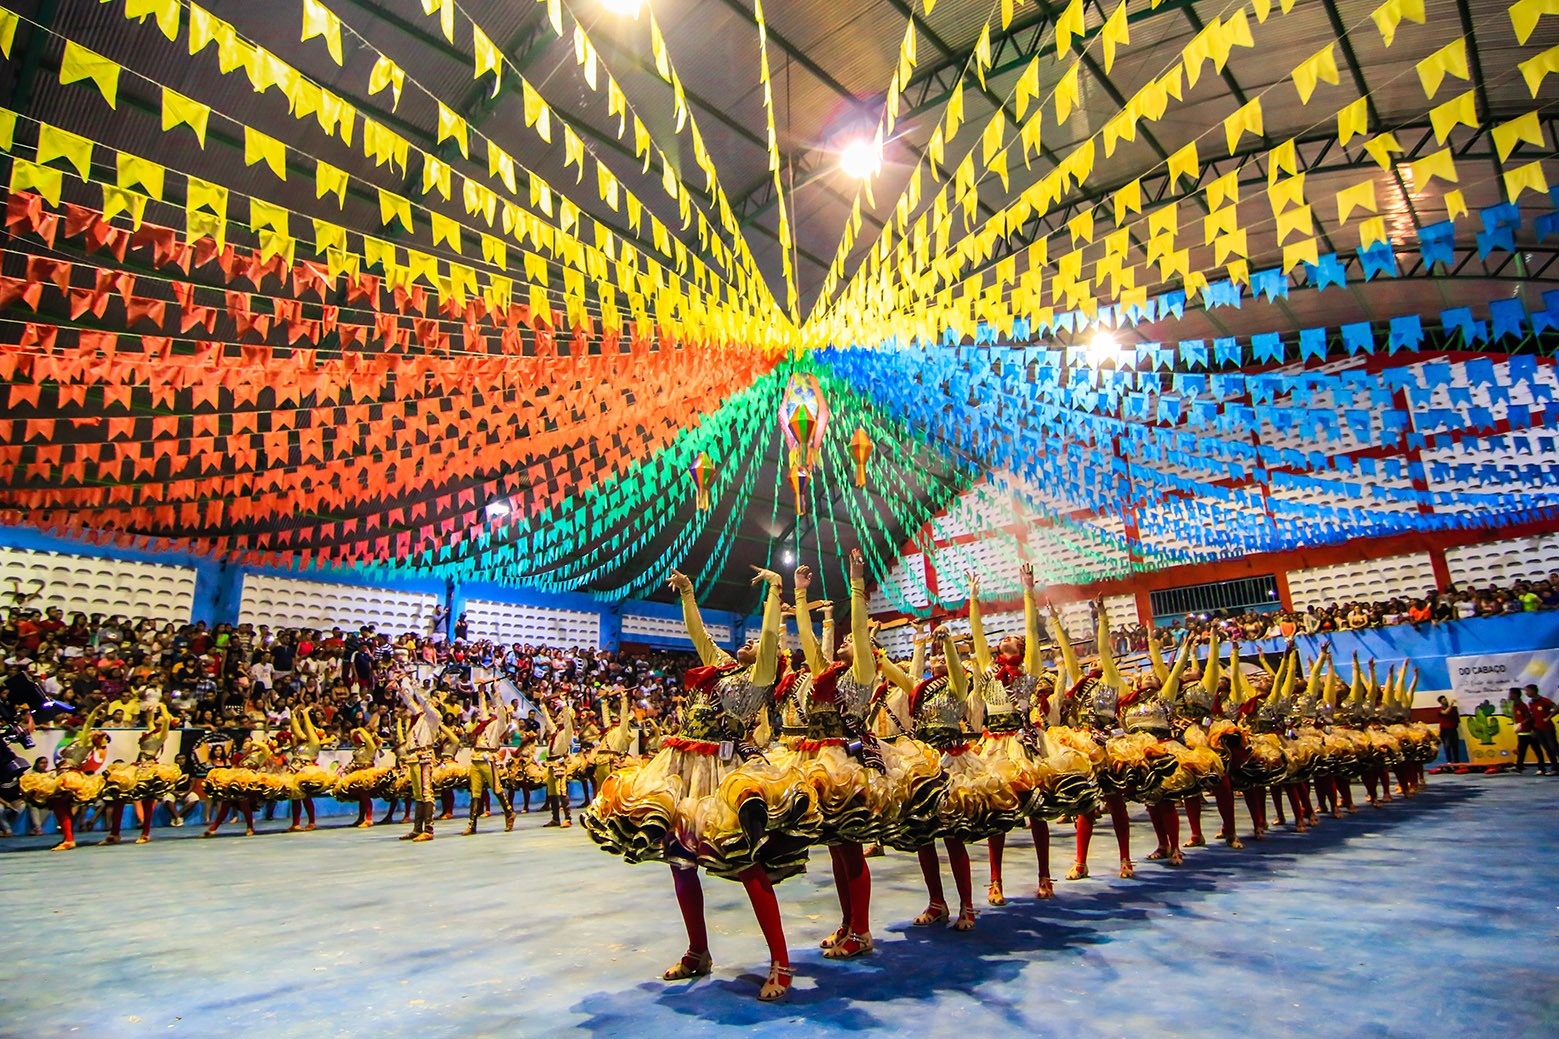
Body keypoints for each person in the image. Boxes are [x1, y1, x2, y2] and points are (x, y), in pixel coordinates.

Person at [582, 565, 819, 1002]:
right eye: (742, 641)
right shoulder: (720, 669)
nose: (745, 643)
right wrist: (689, 593)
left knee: (743, 864)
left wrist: (775, 591)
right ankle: (698, 952)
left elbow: (768, 638)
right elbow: (698, 635)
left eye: (753, 643)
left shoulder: (760, 676)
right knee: (679, 861)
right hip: (680, 766)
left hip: (721, 775)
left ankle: (781, 962)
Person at [464, 678, 515, 835]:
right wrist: (481, 692)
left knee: (497, 788)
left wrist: (496, 690)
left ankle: (509, 813)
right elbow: (482, 708)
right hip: (476, 757)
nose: (493, 708)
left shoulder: (500, 724)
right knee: (475, 792)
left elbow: (500, 708)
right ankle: (472, 824)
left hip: (488, 757)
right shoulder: (485, 722)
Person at [399, 672, 443, 841]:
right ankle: (418, 828)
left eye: (434, 701)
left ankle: (429, 830)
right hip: (414, 756)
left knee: (426, 792)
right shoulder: (420, 717)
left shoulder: (435, 717)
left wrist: (415, 685)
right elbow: (410, 702)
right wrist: (401, 686)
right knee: (418, 794)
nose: (431, 701)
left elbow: (422, 701)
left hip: (424, 756)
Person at [1509, 688, 1548, 774]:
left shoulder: (1522, 705)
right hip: (1522, 732)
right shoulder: (1515, 705)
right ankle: (1519, 766)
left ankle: (1541, 768)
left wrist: (1522, 724)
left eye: (1511, 694)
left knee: (1537, 750)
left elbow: (1529, 717)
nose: (1509, 696)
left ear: (1515, 695)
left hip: (1529, 732)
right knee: (1521, 750)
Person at [1525, 684, 1559, 772]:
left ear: (1533, 691)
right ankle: (1555, 767)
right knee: (1547, 749)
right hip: (1538, 729)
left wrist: (1549, 717)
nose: (1526, 693)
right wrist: (1533, 729)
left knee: (1554, 748)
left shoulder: (1544, 700)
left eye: (1528, 691)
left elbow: (1556, 708)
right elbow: (1533, 716)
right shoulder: (1531, 703)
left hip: (1548, 728)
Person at [1437, 696, 1462, 766]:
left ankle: (1456, 761)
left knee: (1455, 746)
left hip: (1453, 729)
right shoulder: (1439, 709)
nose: (1446, 701)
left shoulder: (1453, 710)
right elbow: (1445, 712)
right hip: (1445, 730)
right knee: (1447, 745)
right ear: (1440, 702)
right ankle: (1449, 761)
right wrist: (1451, 704)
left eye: (1446, 699)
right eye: (1444, 700)